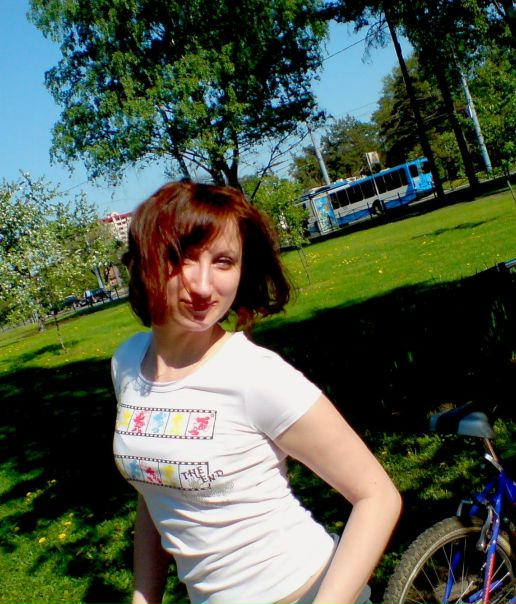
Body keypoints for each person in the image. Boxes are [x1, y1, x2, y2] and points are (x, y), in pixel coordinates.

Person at [111, 181, 402, 604]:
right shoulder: (126, 364)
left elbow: (377, 496)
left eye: (223, 261)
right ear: (147, 261)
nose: (204, 286)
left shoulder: (255, 375)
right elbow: (154, 490)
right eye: (185, 258)